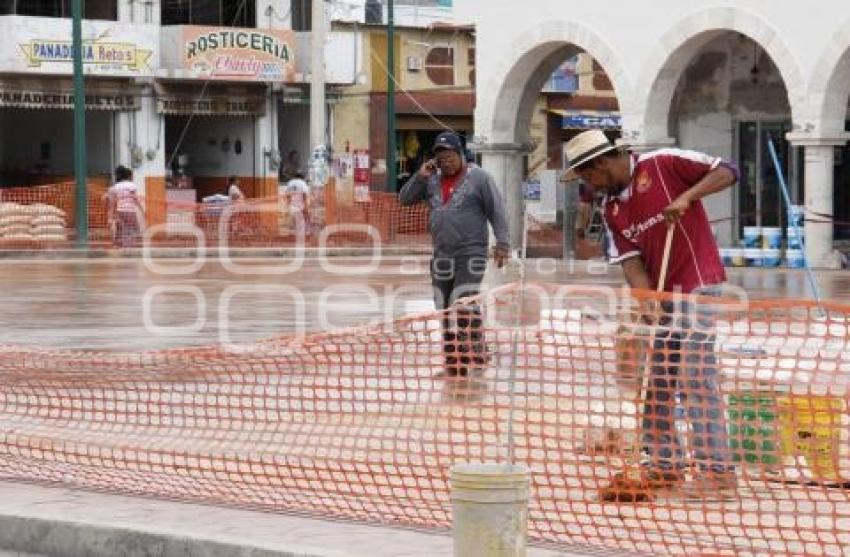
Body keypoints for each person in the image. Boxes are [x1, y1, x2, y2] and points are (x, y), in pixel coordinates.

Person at [564, 129, 739, 501]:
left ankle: (716, 472)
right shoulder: (611, 210)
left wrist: (688, 197)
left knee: (695, 374)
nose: (588, 184)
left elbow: (728, 170)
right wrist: (646, 300)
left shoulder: (662, 163)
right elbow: (632, 263)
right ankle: (664, 463)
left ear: (602, 163)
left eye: (587, 175)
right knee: (658, 380)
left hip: (697, 283)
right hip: (663, 292)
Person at [400, 131, 510, 378]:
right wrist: (419, 176)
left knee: (461, 303)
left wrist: (502, 243)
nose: (446, 162)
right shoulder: (431, 179)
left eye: (450, 157)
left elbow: (497, 209)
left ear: (460, 154)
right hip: (442, 253)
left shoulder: (479, 178)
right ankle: (457, 361)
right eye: (441, 158)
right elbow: (404, 199)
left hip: (471, 252)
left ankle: (464, 360)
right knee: (444, 307)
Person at [106, 165, 145, 248]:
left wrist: (110, 216)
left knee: (120, 228)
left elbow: (112, 201)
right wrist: (142, 210)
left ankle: (117, 245)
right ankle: (127, 246)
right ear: (129, 176)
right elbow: (135, 199)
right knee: (131, 229)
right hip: (129, 211)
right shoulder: (131, 185)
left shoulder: (116, 186)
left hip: (119, 210)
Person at [284, 173, 311, 241]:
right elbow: (305, 195)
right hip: (300, 205)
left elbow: (287, 196)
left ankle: (294, 236)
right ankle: (301, 237)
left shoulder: (290, 183)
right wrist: (306, 205)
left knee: (294, 221)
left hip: (292, 205)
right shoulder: (302, 183)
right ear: (301, 177)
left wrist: (287, 205)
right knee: (302, 221)